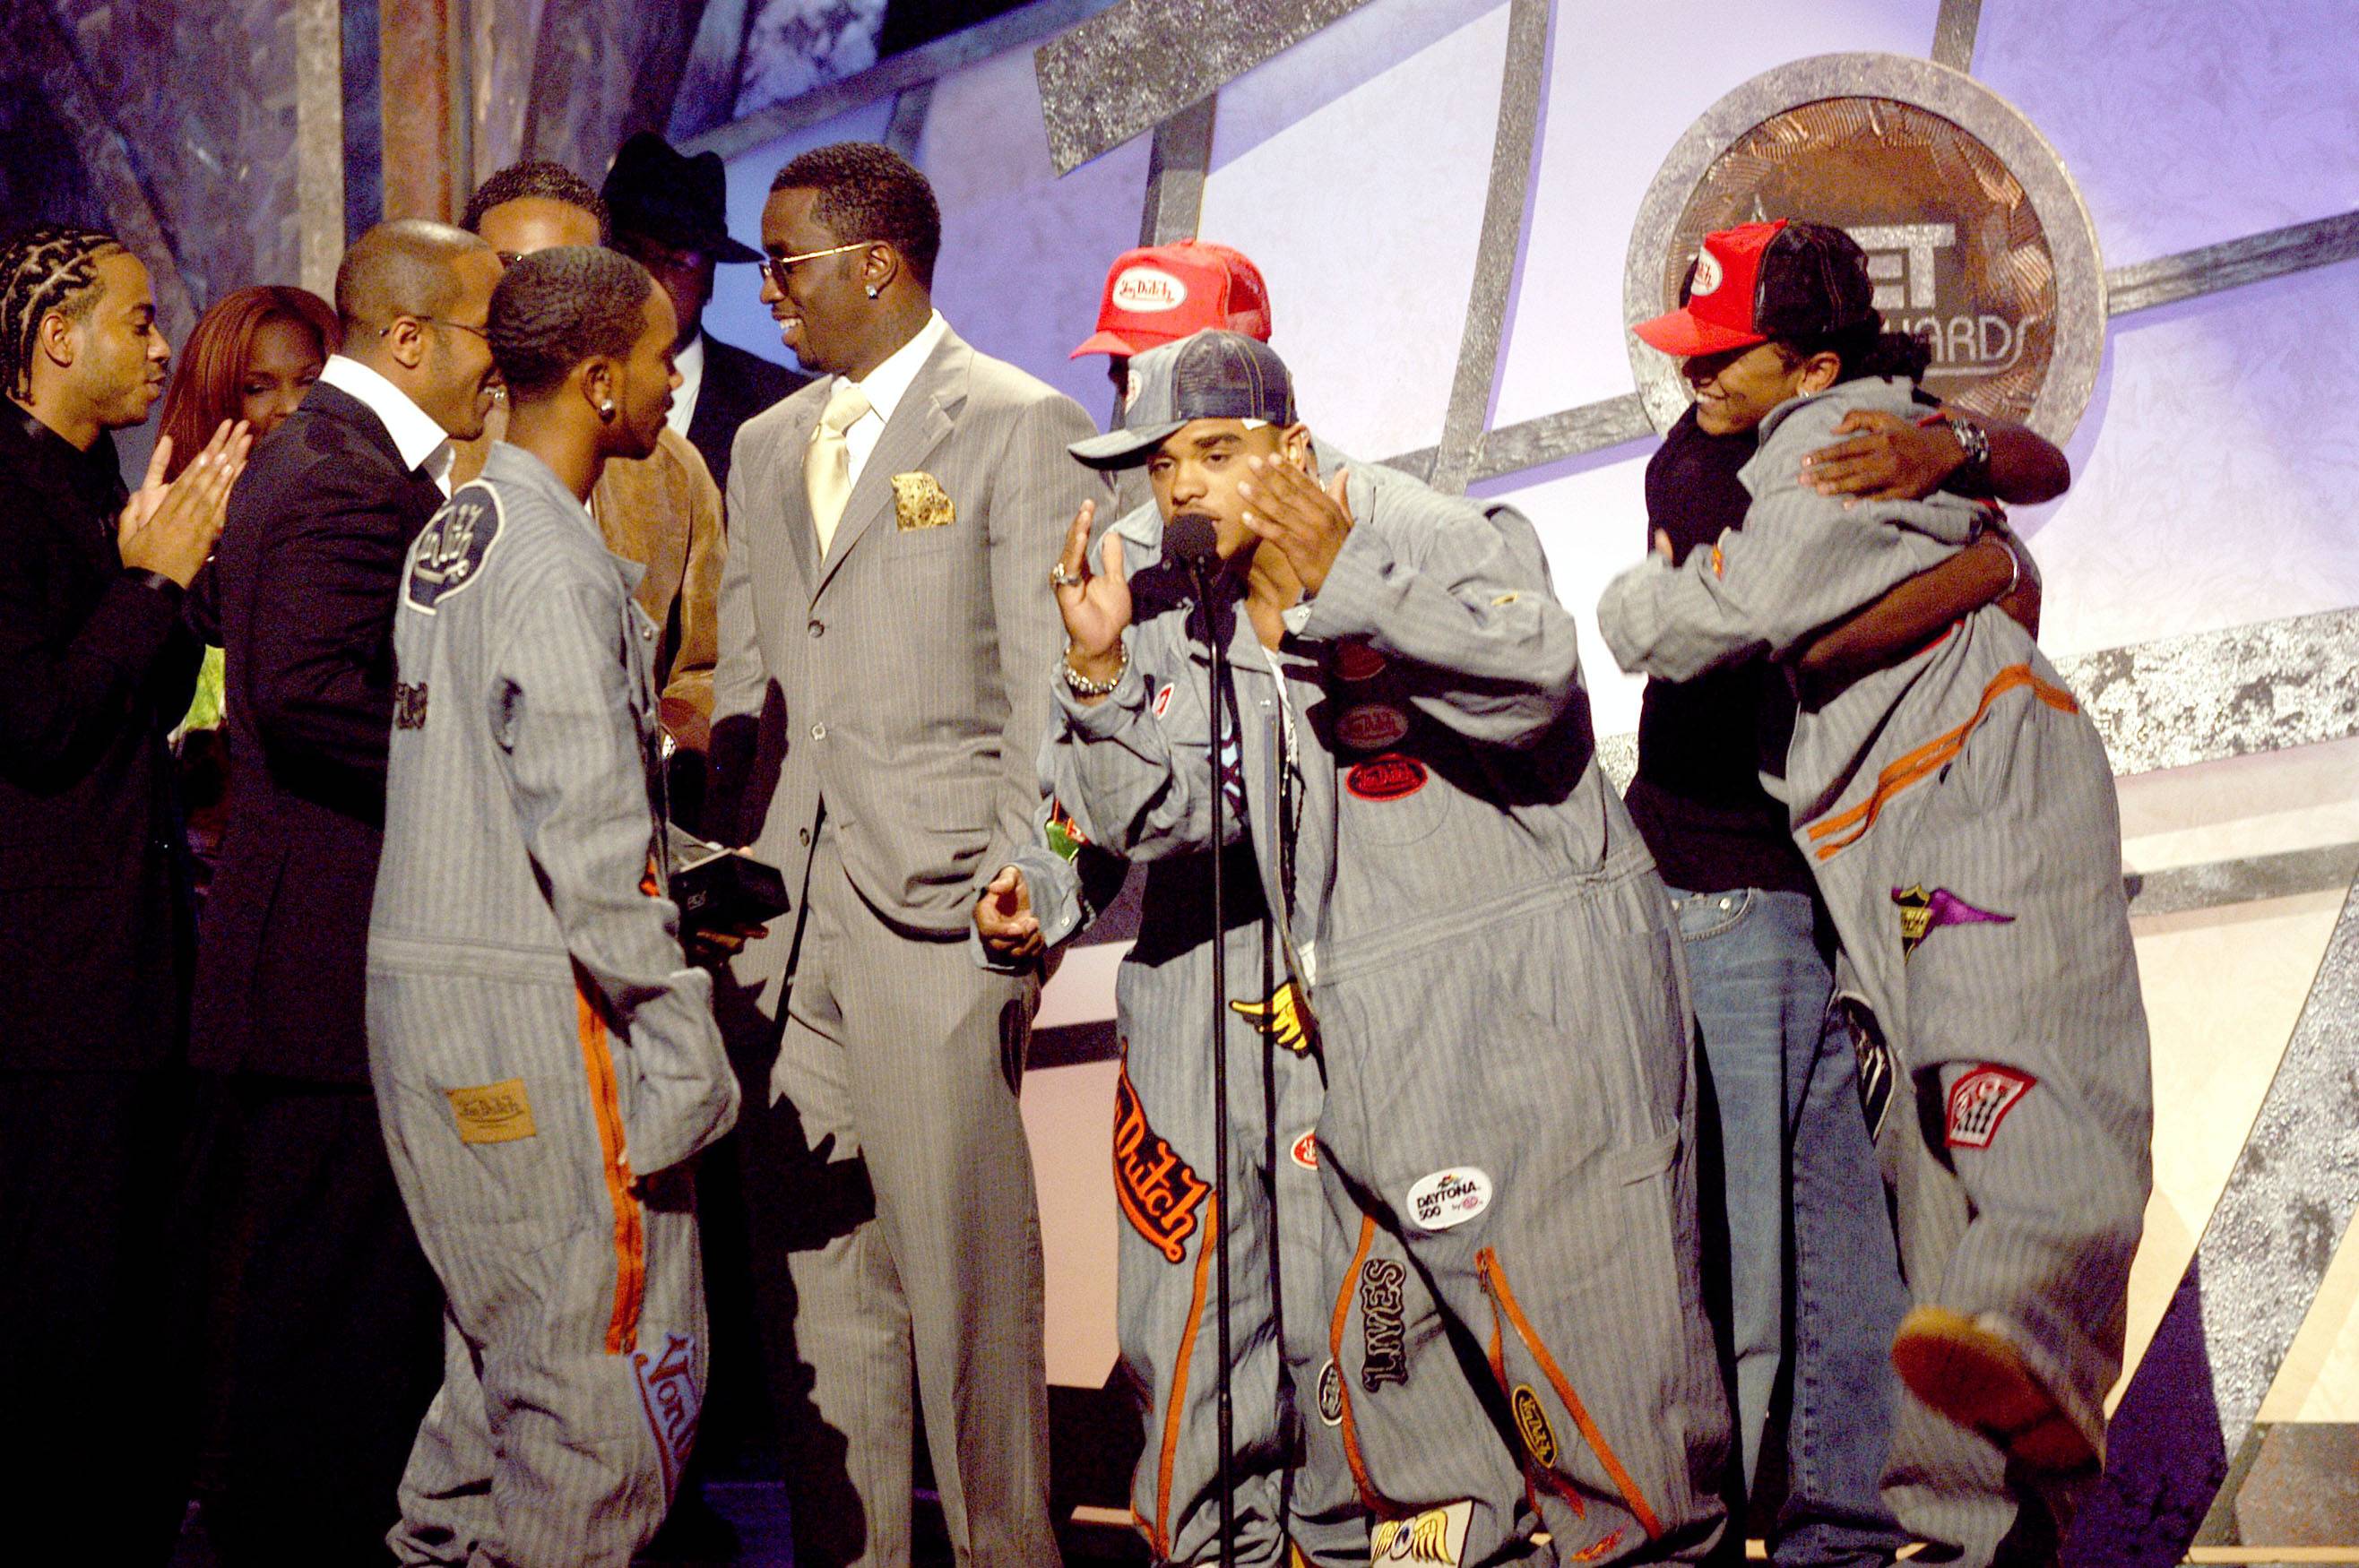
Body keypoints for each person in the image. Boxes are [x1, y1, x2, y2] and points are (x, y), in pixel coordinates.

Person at [1050, 330, 1731, 1565]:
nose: (1184, 487)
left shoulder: (1412, 525)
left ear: (1292, 447)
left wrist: (1348, 577)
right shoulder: (1204, 596)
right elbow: (1184, 811)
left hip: (1535, 1021)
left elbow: (1536, 670)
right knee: (1414, 1443)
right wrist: (1099, 677)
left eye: (1215, 450)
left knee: (1616, 1421)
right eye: (1162, 467)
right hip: (1381, 1052)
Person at [1599, 221, 2152, 1564]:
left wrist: (1973, 531)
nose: (1696, 379)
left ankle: (2029, 1319)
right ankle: (1966, 1524)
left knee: (2015, 1077)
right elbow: (1812, 628)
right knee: (1931, 1158)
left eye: (1726, 356)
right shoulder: (1743, 439)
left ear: (1811, 360)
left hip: (1964, 784)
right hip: (1878, 832)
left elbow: (1680, 624)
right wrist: (1982, 562)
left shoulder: (1831, 435)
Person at [707, 140, 1103, 1566]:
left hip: (943, 908)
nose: (767, 291)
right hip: (788, 920)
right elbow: (754, 676)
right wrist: (724, 870)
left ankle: (1009, 1550)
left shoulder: (1014, 423)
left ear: (877, 262)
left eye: (786, 261)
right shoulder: (762, 446)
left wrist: (1034, 871)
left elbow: (1054, 689)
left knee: (966, 1286)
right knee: (816, 1288)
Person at [368, 243, 739, 1568]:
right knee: (600, 1411)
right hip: (545, 1024)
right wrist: (684, 1043)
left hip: (428, 1019)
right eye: (654, 358)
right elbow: (589, 846)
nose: (673, 377)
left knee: (484, 1400)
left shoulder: (452, 536)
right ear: (595, 380)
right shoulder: (558, 561)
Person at [184, 217, 502, 1562]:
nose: (508, 360)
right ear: (414, 336)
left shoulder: (351, 460)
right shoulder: (339, 473)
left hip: (329, 970)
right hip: (323, 978)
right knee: (325, 1340)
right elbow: (309, 699)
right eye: (491, 326)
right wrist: (494, 768)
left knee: (345, 1327)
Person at [0, 220, 246, 1564]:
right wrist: (147, 582)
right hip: (49, 988)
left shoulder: (94, 479)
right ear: (56, 337)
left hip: (138, 963)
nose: (163, 346)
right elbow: (36, 722)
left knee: (146, 1304)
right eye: (139, 322)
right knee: (64, 1313)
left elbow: (139, 706)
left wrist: (171, 583)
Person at [458, 160, 729, 752]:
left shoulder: (673, 470)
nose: (542, 297)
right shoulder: (429, 443)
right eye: (515, 269)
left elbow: (709, 665)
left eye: (574, 272)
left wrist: (661, 741)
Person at [153, 284, 340, 871]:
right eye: (258, 388)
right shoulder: (165, 529)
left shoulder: (356, 513)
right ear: (218, 398)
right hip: (193, 856)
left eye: (309, 382)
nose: (289, 407)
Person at [604, 131, 808, 495]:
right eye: (631, 254)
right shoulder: (549, 385)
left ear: (709, 280)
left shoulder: (782, 410)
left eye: (677, 262)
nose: (649, 280)